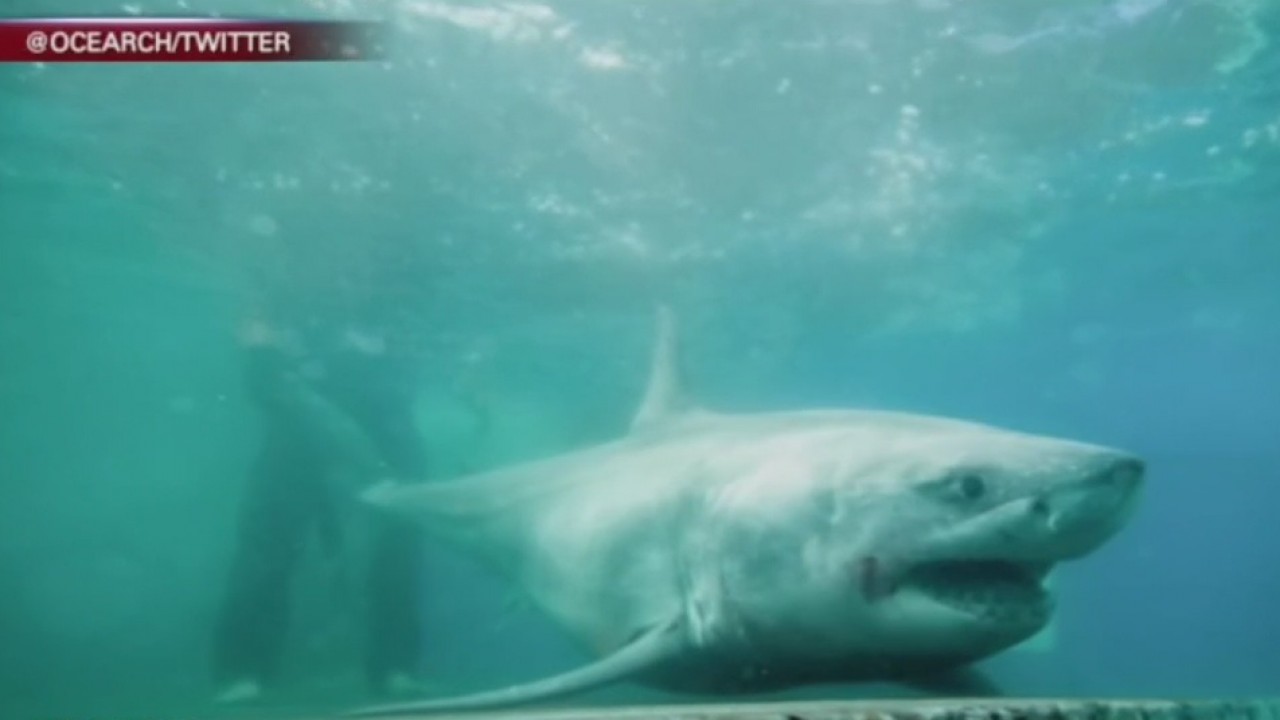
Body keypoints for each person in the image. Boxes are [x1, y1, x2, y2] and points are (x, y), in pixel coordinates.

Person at [211, 299, 429, 704]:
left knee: (397, 551)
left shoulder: (383, 307)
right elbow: (263, 383)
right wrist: (261, 349)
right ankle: (243, 669)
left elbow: (398, 383)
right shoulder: (280, 294)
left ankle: (396, 667)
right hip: (300, 435)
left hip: (379, 434)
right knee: (265, 552)